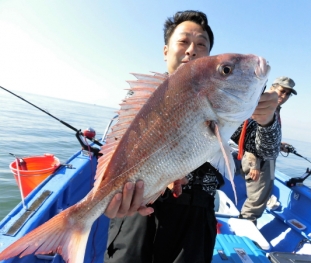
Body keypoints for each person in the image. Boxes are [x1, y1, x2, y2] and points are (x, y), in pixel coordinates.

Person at [104, 10, 281, 263]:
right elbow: (113, 150)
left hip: (196, 219)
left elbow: (265, 152)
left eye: (201, 44)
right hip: (137, 210)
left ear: (208, 56)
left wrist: (267, 120)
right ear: (166, 51)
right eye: (183, 42)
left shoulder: (225, 99)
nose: (191, 50)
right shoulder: (141, 100)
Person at [232, 76, 296, 223]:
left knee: (262, 195)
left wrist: (278, 145)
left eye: (288, 94)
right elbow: (248, 135)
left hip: (266, 159)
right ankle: (246, 229)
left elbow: (263, 136)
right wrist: (254, 164)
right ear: (273, 87)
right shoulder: (261, 105)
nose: (284, 96)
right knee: (257, 199)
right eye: (282, 91)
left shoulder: (273, 107)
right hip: (258, 160)